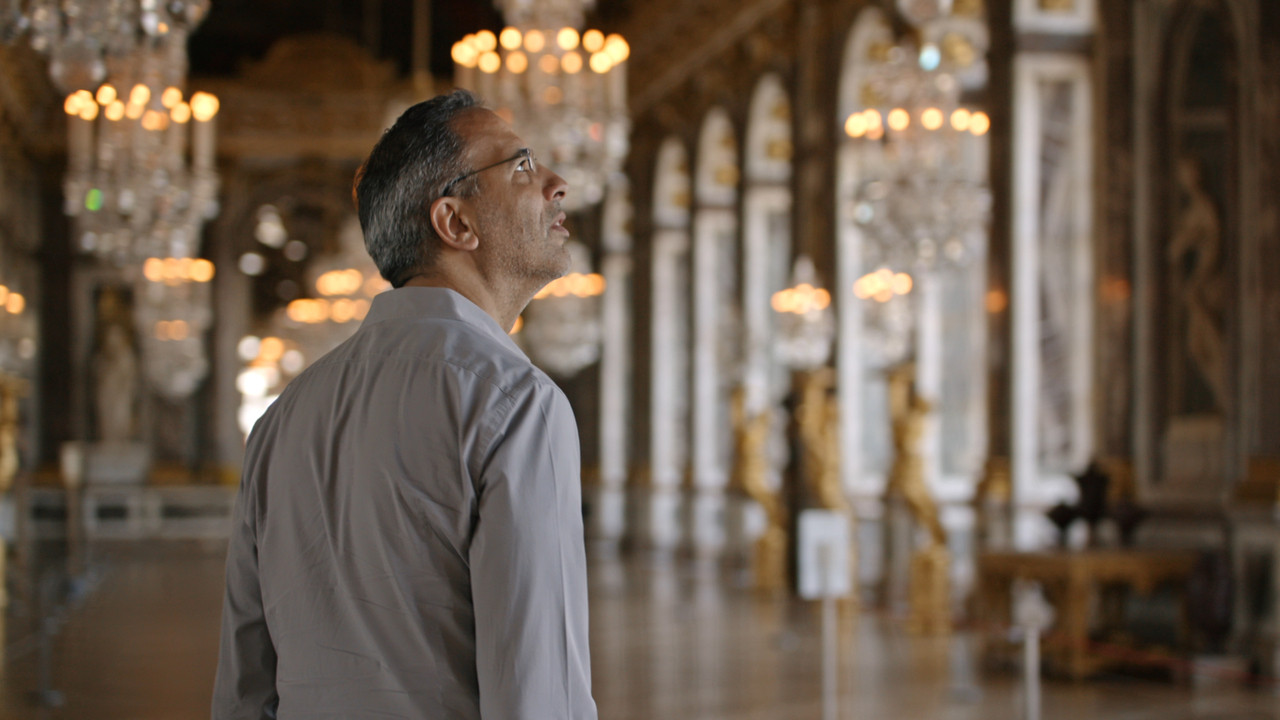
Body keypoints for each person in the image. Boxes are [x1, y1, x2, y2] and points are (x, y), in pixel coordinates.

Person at [212, 90, 596, 719]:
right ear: (456, 223)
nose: (557, 183)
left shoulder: (284, 417)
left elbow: (243, 687)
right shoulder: (517, 404)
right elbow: (537, 694)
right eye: (521, 166)